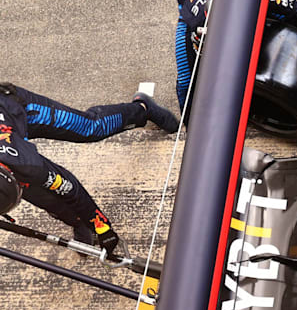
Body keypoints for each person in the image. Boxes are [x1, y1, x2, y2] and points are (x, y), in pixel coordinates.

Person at [0, 82, 178, 254]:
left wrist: (102, 227)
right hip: (9, 151)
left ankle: (143, 108)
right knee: (40, 196)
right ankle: (78, 223)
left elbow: (69, 188)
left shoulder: (26, 164)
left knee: (90, 128)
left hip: (14, 108)